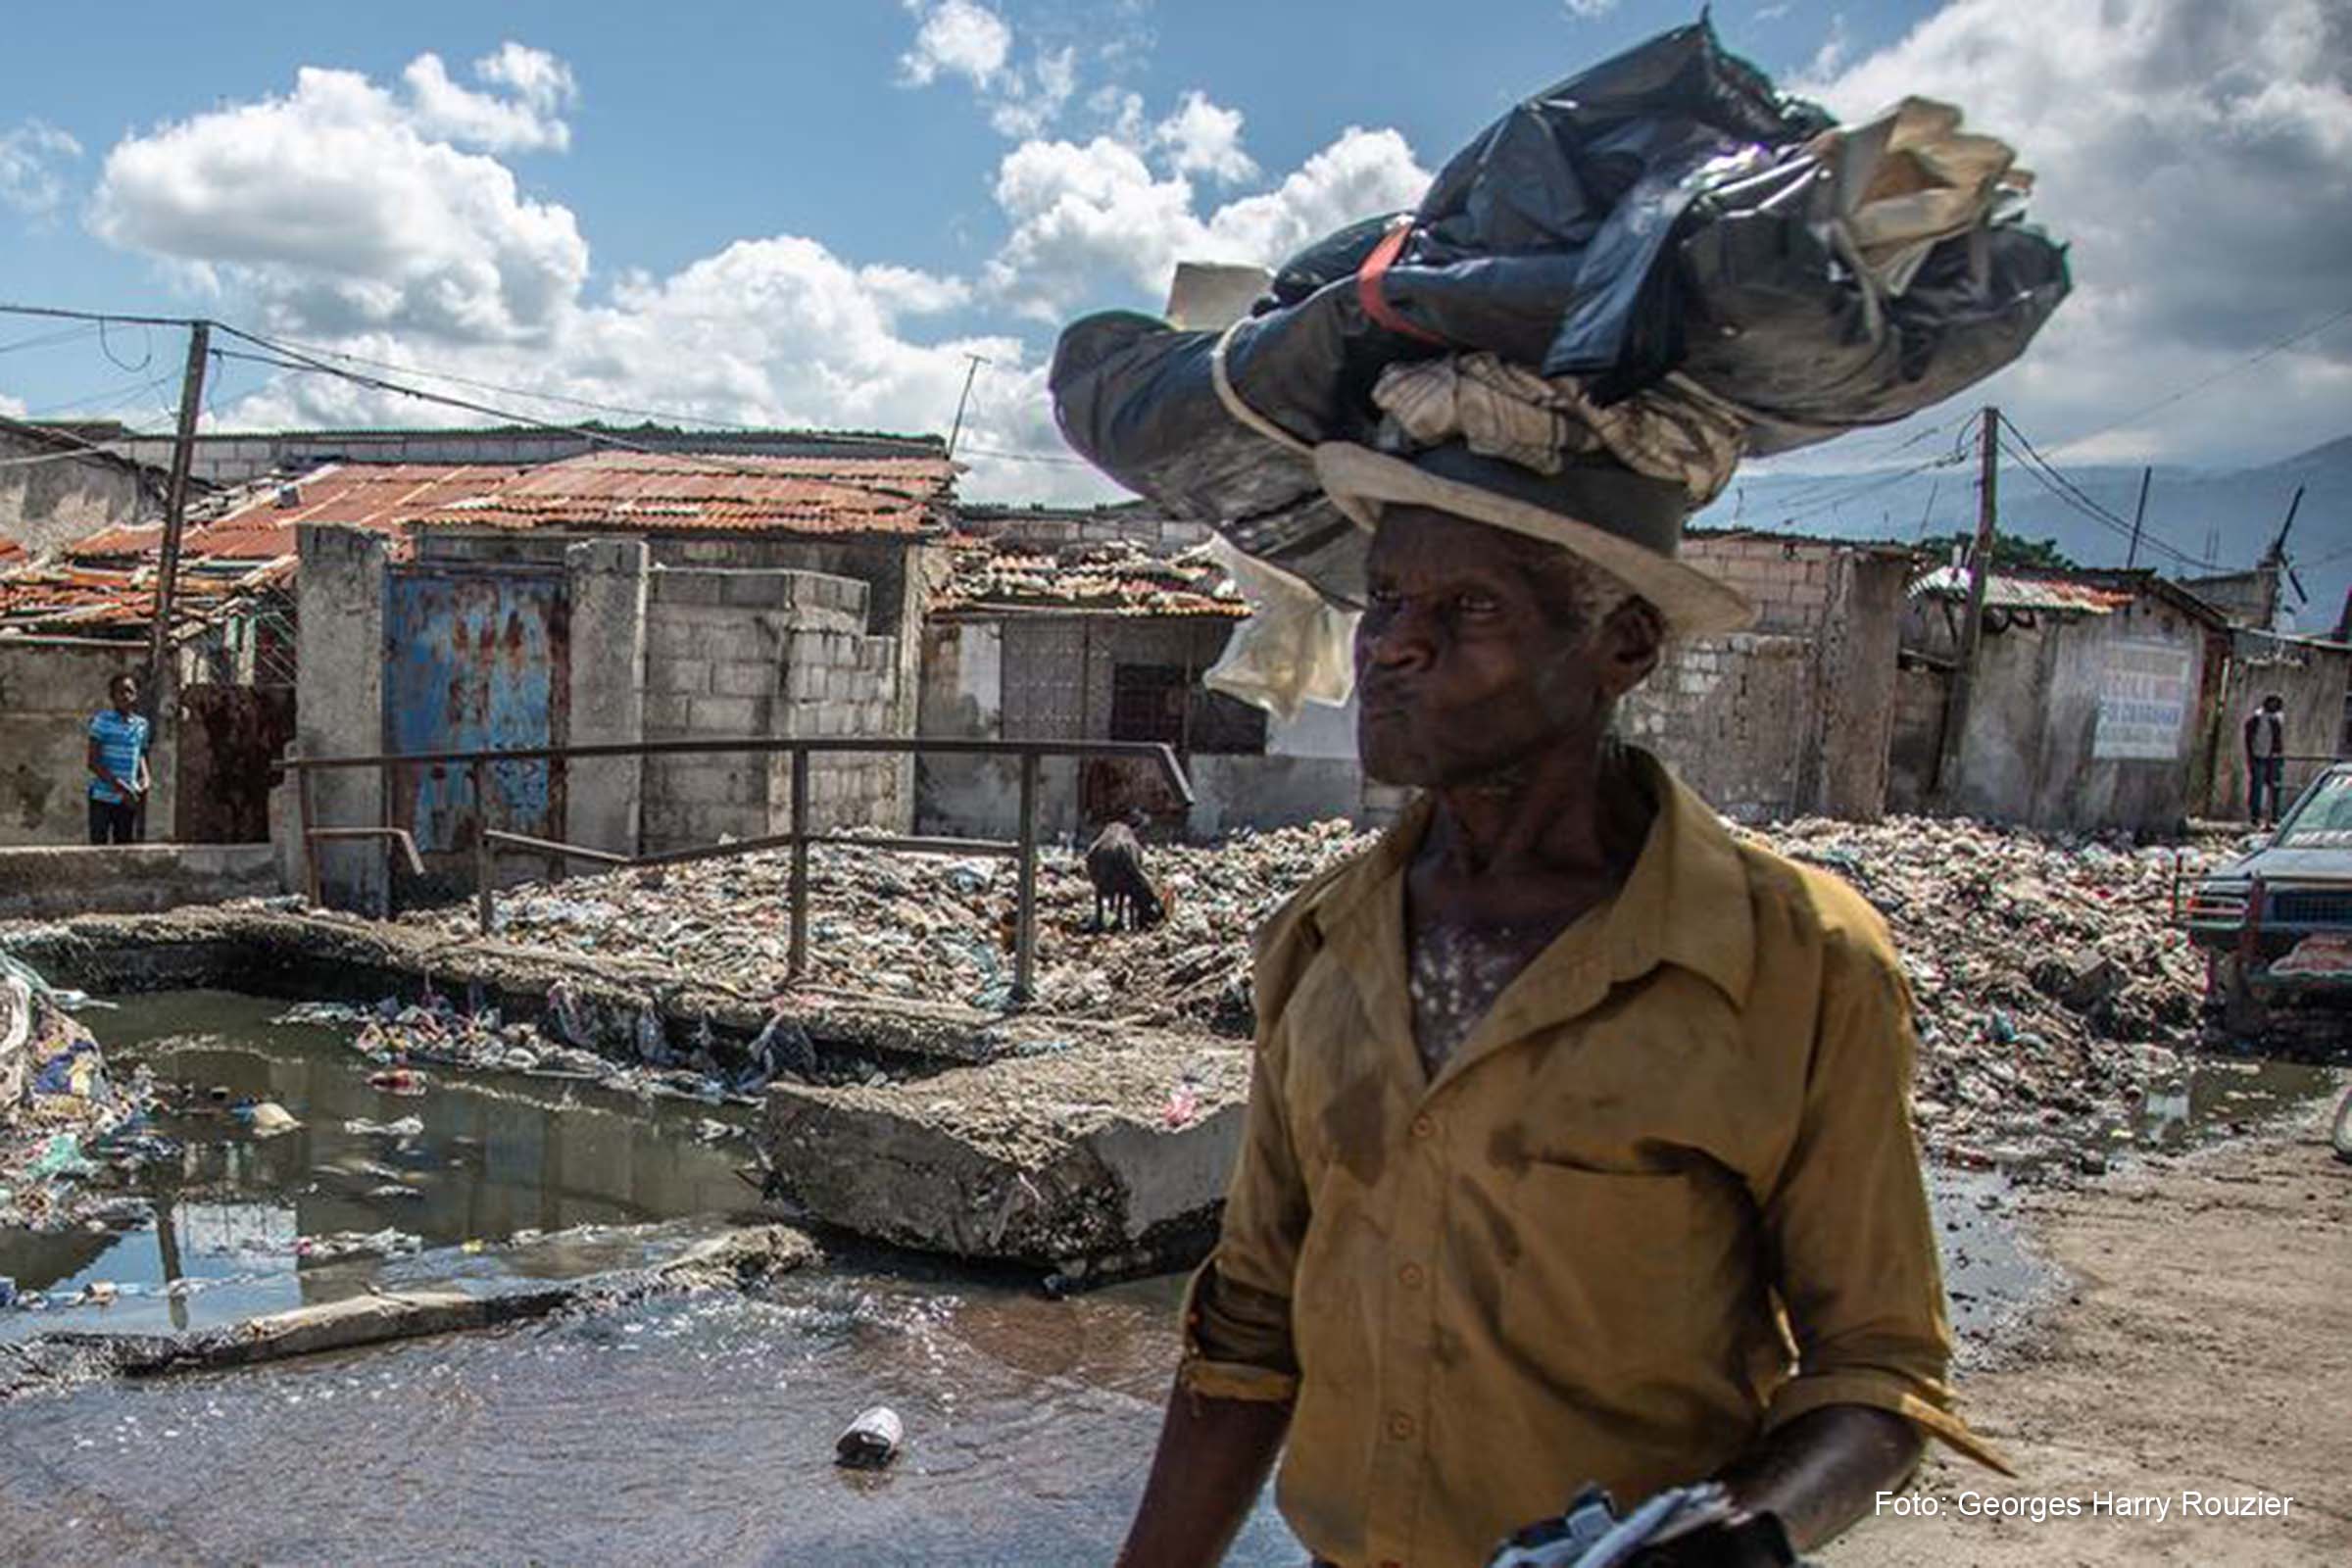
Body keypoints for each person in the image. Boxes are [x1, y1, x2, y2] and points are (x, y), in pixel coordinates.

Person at [1117, 444, 2003, 1568]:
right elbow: (1250, 1324)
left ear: (1620, 646)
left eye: (1469, 606)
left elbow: (1877, 1372)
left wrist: (1745, 1528)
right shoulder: (1323, 940)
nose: (1392, 643)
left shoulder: (1794, 959)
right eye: (1384, 598)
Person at [86, 670, 151, 845]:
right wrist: (121, 787)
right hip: (103, 796)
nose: (125, 696)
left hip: (127, 800)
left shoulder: (141, 725)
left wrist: (145, 778)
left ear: (136, 695)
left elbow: (140, 753)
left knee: (124, 847)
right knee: (99, 848)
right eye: (120, 692)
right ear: (112, 696)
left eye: (129, 691)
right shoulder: (102, 721)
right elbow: (93, 762)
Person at [2244, 693, 2287, 827]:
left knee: (2275, 787)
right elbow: (2249, 736)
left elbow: (2278, 740)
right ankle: (2255, 816)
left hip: (2273, 758)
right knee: (2257, 787)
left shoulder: (2277, 719)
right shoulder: (2256, 718)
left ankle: (2274, 816)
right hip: (2259, 756)